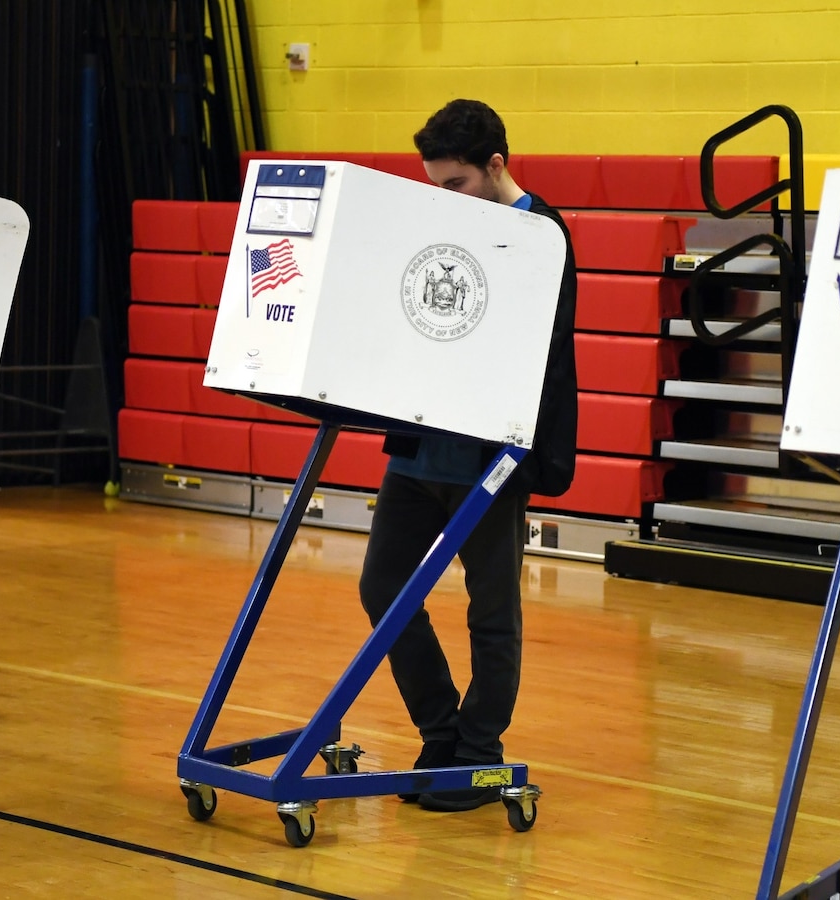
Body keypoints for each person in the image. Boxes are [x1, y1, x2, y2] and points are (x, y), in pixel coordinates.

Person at [359, 99, 578, 812]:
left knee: (491, 612)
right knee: (382, 586)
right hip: (421, 449)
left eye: (453, 184)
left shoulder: (543, 235)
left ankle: (480, 753)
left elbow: (532, 353)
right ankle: (441, 730)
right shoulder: (441, 223)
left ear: (495, 166)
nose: (441, 199)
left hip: (490, 457)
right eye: (432, 185)